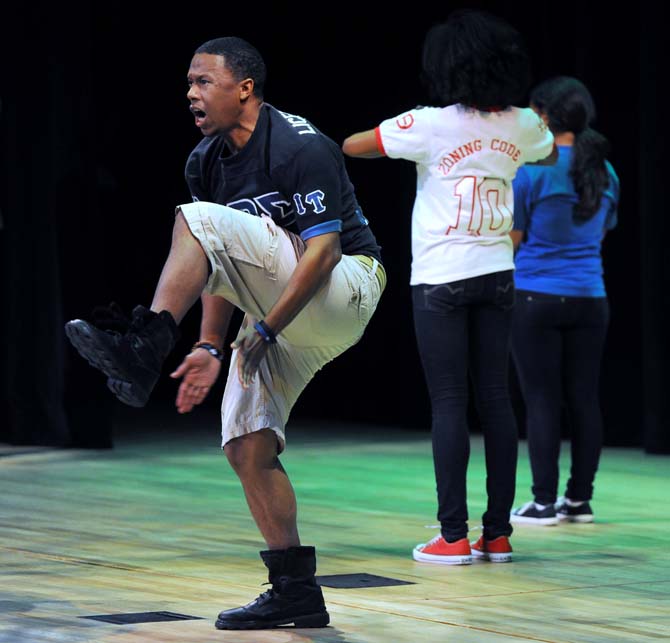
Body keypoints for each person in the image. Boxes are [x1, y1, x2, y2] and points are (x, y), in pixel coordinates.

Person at [64, 37, 385, 630]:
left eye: (202, 81)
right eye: (188, 83)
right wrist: (211, 345)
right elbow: (215, 265)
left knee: (194, 219)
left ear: (245, 88)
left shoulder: (297, 143)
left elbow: (323, 251)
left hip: (347, 286)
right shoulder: (204, 161)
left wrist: (263, 326)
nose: (190, 93)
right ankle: (295, 591)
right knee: (246, 442)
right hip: (283, 311)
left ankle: (144, 345)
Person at [342, 9, 555, 565]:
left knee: (449, 404)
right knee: (497, 402)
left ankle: (453, 536)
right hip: (498, 275)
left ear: (448, 67)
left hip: (440, 278)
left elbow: (353, 145)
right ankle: (499, 533)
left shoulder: (430, 123)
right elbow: (549, 150)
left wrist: (416, 137)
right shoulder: (525, 124)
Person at [509, 77, 619, 526]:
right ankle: (579, 500)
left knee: (540, 400)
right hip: (591, 299)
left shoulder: (531, 169)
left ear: (546, 117)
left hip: (535, 297)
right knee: (584, 399)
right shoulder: (605, 171)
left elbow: (512, 239)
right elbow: (604, 229)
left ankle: (543, 501)